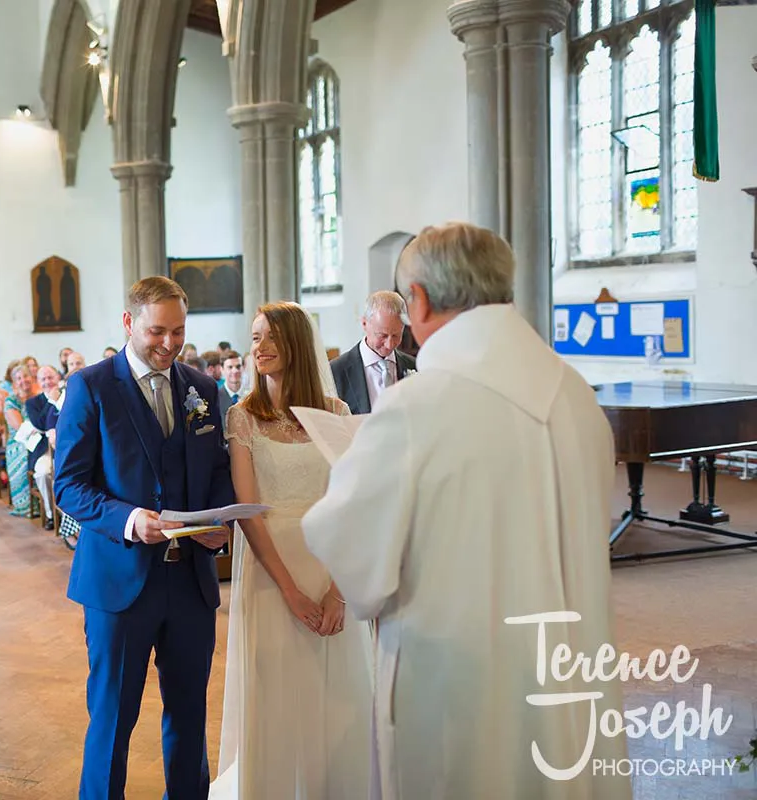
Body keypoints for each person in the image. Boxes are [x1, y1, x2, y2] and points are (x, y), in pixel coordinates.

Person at [302, 223, 630, 799]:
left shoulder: (418, 405)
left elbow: (352, 557)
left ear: (420, 301)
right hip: (571, 677)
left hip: (466, 698)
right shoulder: (577, 395)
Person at [55, 276, 233, 799]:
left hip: (191, 585)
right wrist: (132, 520)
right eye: (158, 331)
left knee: (189, 716)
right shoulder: (91, 386)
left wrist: (218, 524)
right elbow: (68, 485)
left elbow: (216, 470)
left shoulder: (202, 389)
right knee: (112, 720)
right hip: (119, 583)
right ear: (130, 323)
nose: (169, 344)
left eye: (178, 332)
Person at [211, 302, 372, 799]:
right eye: (254, 337)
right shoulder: (244, 417)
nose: (258, 347)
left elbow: (353, 505)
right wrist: (290, 591)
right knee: (276, 691)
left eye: (270, 337)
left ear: (297, 342)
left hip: (330, 565)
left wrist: (337, 593)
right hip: (270, 571)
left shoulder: (337, 413)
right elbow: (248, 510)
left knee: (335, 694)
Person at [330, 290, 416, 414]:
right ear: (364, 323)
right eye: (382, 335)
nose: (389, 344)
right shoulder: (336, 371)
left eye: (396, 335)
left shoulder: (414, 366)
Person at [25, 364, 63, 529]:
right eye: (43, 379)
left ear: (58, 378)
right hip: (45, 450)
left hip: (67, 448)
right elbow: (40, 423)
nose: (48, 382)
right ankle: (51, 514)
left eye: (51, 377)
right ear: (38, 382)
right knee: (42, 473)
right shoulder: (33, 402)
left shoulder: (69, 395)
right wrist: (51, 401)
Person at [3, 364, 38, 517]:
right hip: (19, 442)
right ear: (14, 383)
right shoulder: (11, 401)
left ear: (32, 378)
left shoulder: (39, 397)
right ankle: (26, 505)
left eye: (26, 376)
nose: (23, 380)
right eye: (19, 378)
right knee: (26, 455)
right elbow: (19, 426)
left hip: (39, 437)